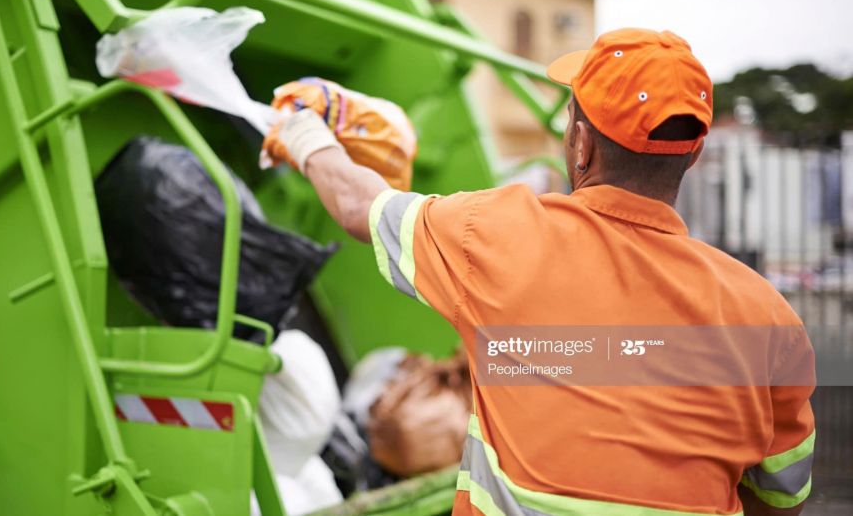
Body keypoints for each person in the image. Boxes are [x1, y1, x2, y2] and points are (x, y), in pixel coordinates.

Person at [263, 28, 815, 516]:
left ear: (579, 143)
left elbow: (361, 207)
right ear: (692, 155)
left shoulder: (494, 234)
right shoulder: (769, 319)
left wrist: (306, 134)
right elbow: (781, 495)